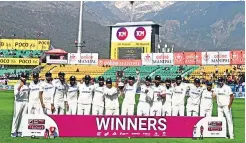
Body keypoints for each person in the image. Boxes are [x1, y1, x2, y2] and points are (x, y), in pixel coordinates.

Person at [11, 72, 29, 137]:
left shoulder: (27, 85)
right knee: (16, 116)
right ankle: (13, 131)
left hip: (26, 101)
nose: (24, 78)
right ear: (20, 77)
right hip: (18, 102)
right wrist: (19, 87)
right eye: (23, 77)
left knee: (23, 117)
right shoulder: (17, 84)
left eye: (25, 77)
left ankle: (20, 131)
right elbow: (15, 94)